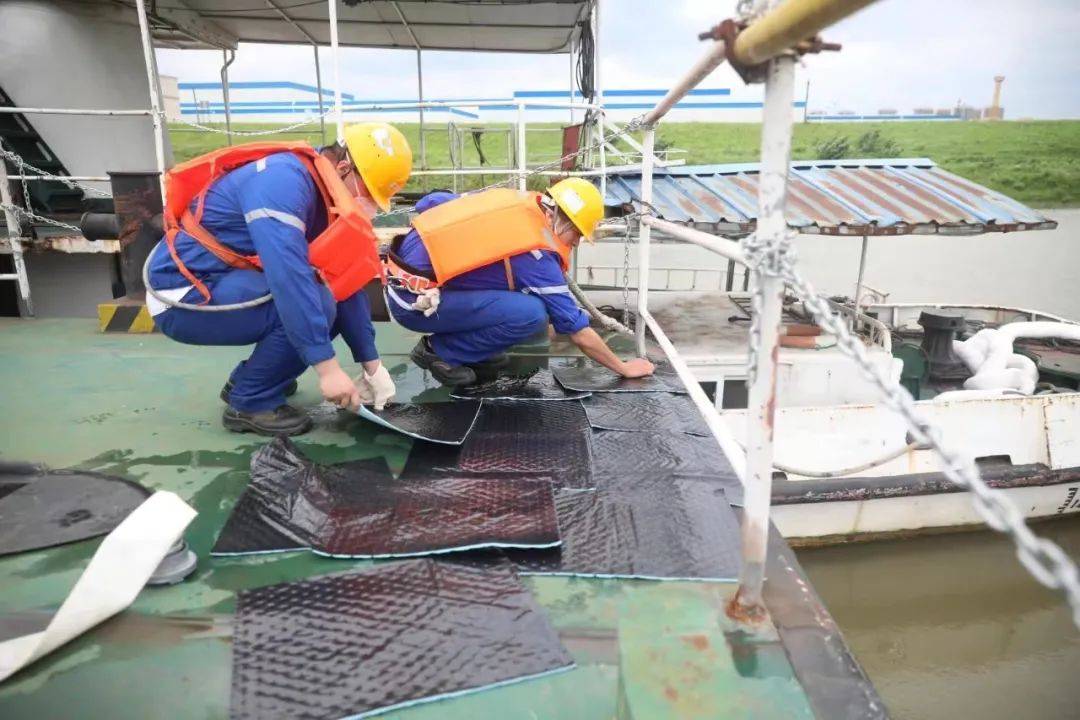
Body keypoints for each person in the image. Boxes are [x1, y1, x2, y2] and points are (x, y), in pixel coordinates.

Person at [145, 122, 412, 436]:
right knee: (318, 301)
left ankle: (250, 379)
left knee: (326, 300)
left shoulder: (323, 194)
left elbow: (346, 282)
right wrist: (328, 370)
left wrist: (372, 364)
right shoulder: (283, 182)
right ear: (342, 168)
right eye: (367, 193)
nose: (367, 206)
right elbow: (289, 279)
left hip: (227, 281)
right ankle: (250, 401)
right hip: (184, 295)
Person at [383, 178, 655, 386]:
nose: (577, 242)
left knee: (518, 297)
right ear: (566, 223)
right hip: (414, 302)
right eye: (579, 234)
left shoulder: (518, 203)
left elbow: (430, 203)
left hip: (401, 279)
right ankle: (439, 351)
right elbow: (577, 331)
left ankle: (472, 349)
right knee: (533, 314)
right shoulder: (537, 254)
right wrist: (624, 368)